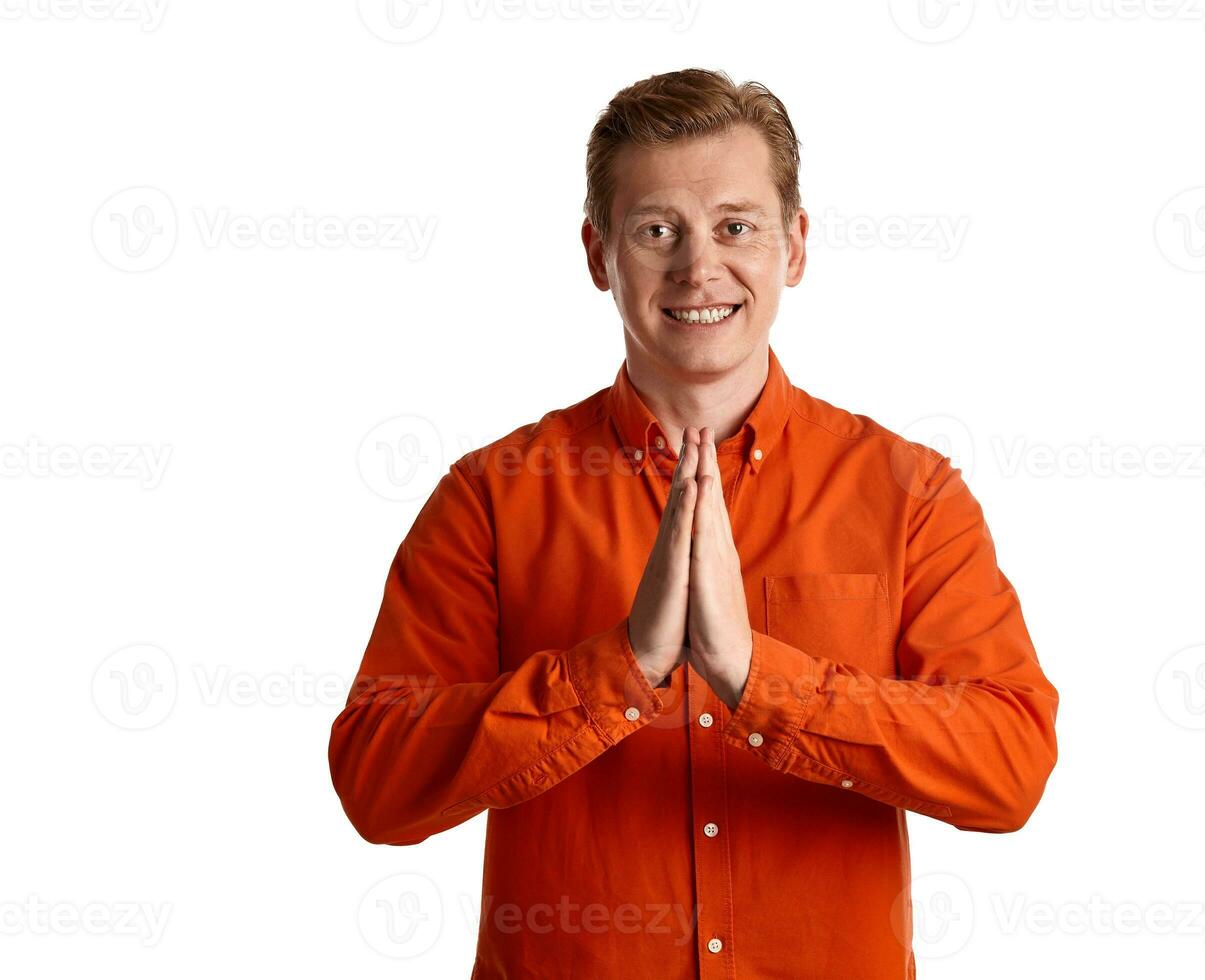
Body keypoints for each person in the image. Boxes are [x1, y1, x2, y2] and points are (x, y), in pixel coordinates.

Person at [328, 67, 1059, 979]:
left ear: (793, 246)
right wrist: (617, 670)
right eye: (656, 230)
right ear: (599, 255)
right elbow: (376, 781)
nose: (698, 267)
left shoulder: (909, 493)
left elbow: (1011, 762)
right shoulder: (492, 495)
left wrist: (763, 680)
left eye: (736, 226)